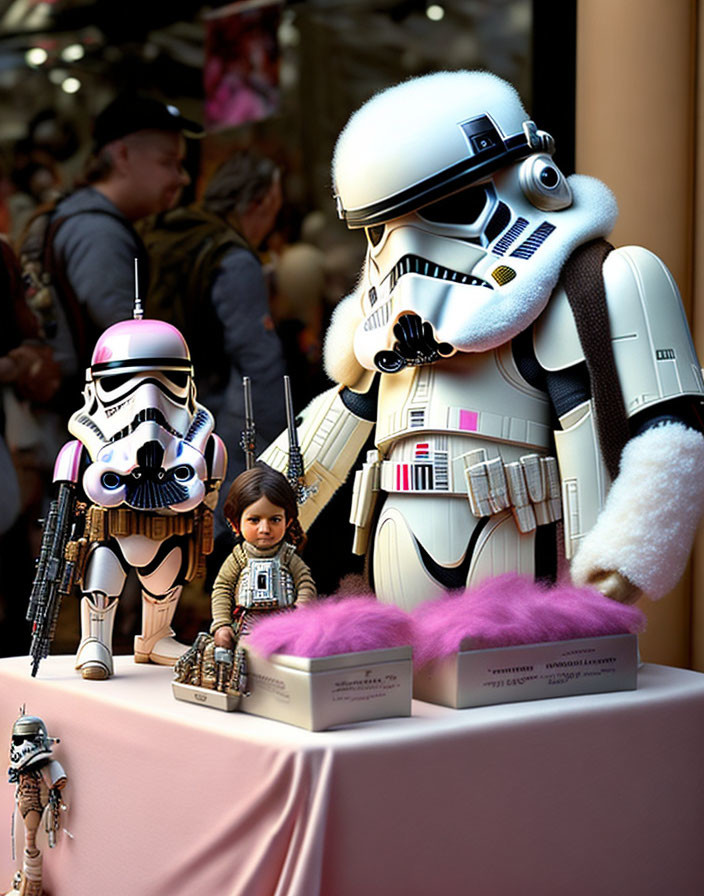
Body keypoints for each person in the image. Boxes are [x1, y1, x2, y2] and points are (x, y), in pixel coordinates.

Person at [141, 150, 287, 544]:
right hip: (210, 413)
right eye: (275, 207)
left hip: (147, 407)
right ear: (258, 204)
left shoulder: (172, 233)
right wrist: (274, 454)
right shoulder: (235, 259)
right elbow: (258, 360)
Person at [37, 94, 200, 380]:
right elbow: (132, 355)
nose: (182, 177)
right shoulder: (99, 234)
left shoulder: (82, 216)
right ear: (122, 155)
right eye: (169, 162)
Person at [211, 462, 316, 651]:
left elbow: (304, 582)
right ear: (236, 522)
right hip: (247, 624)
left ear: (288, 521)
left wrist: (302, 607)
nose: (265, 529)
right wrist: (221, 624)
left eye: (275, 520)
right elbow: (223, 588)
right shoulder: (238, 558)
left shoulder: (287, 557)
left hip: (286, 622)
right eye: (254, 520)